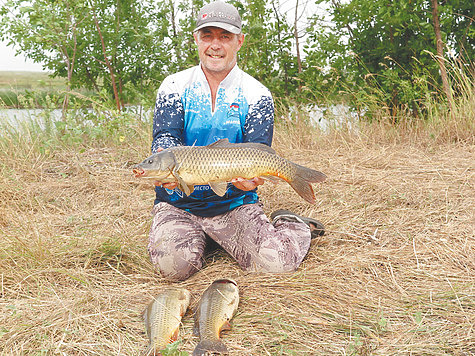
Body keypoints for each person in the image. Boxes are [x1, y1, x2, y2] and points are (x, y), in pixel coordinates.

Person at [148, 1, 324, 281]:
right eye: (207, 36)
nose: (215, 45)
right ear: (196, 39)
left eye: (225, 37)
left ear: (240, 41)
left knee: (275, 266)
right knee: (174, 270)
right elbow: (165, 140)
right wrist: (164, 170)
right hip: (178, 203)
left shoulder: (257, 94)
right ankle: (201, 238)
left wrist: (250, 181)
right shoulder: (174, 86)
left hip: (234, 203)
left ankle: (291, 224)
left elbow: (259, 150)